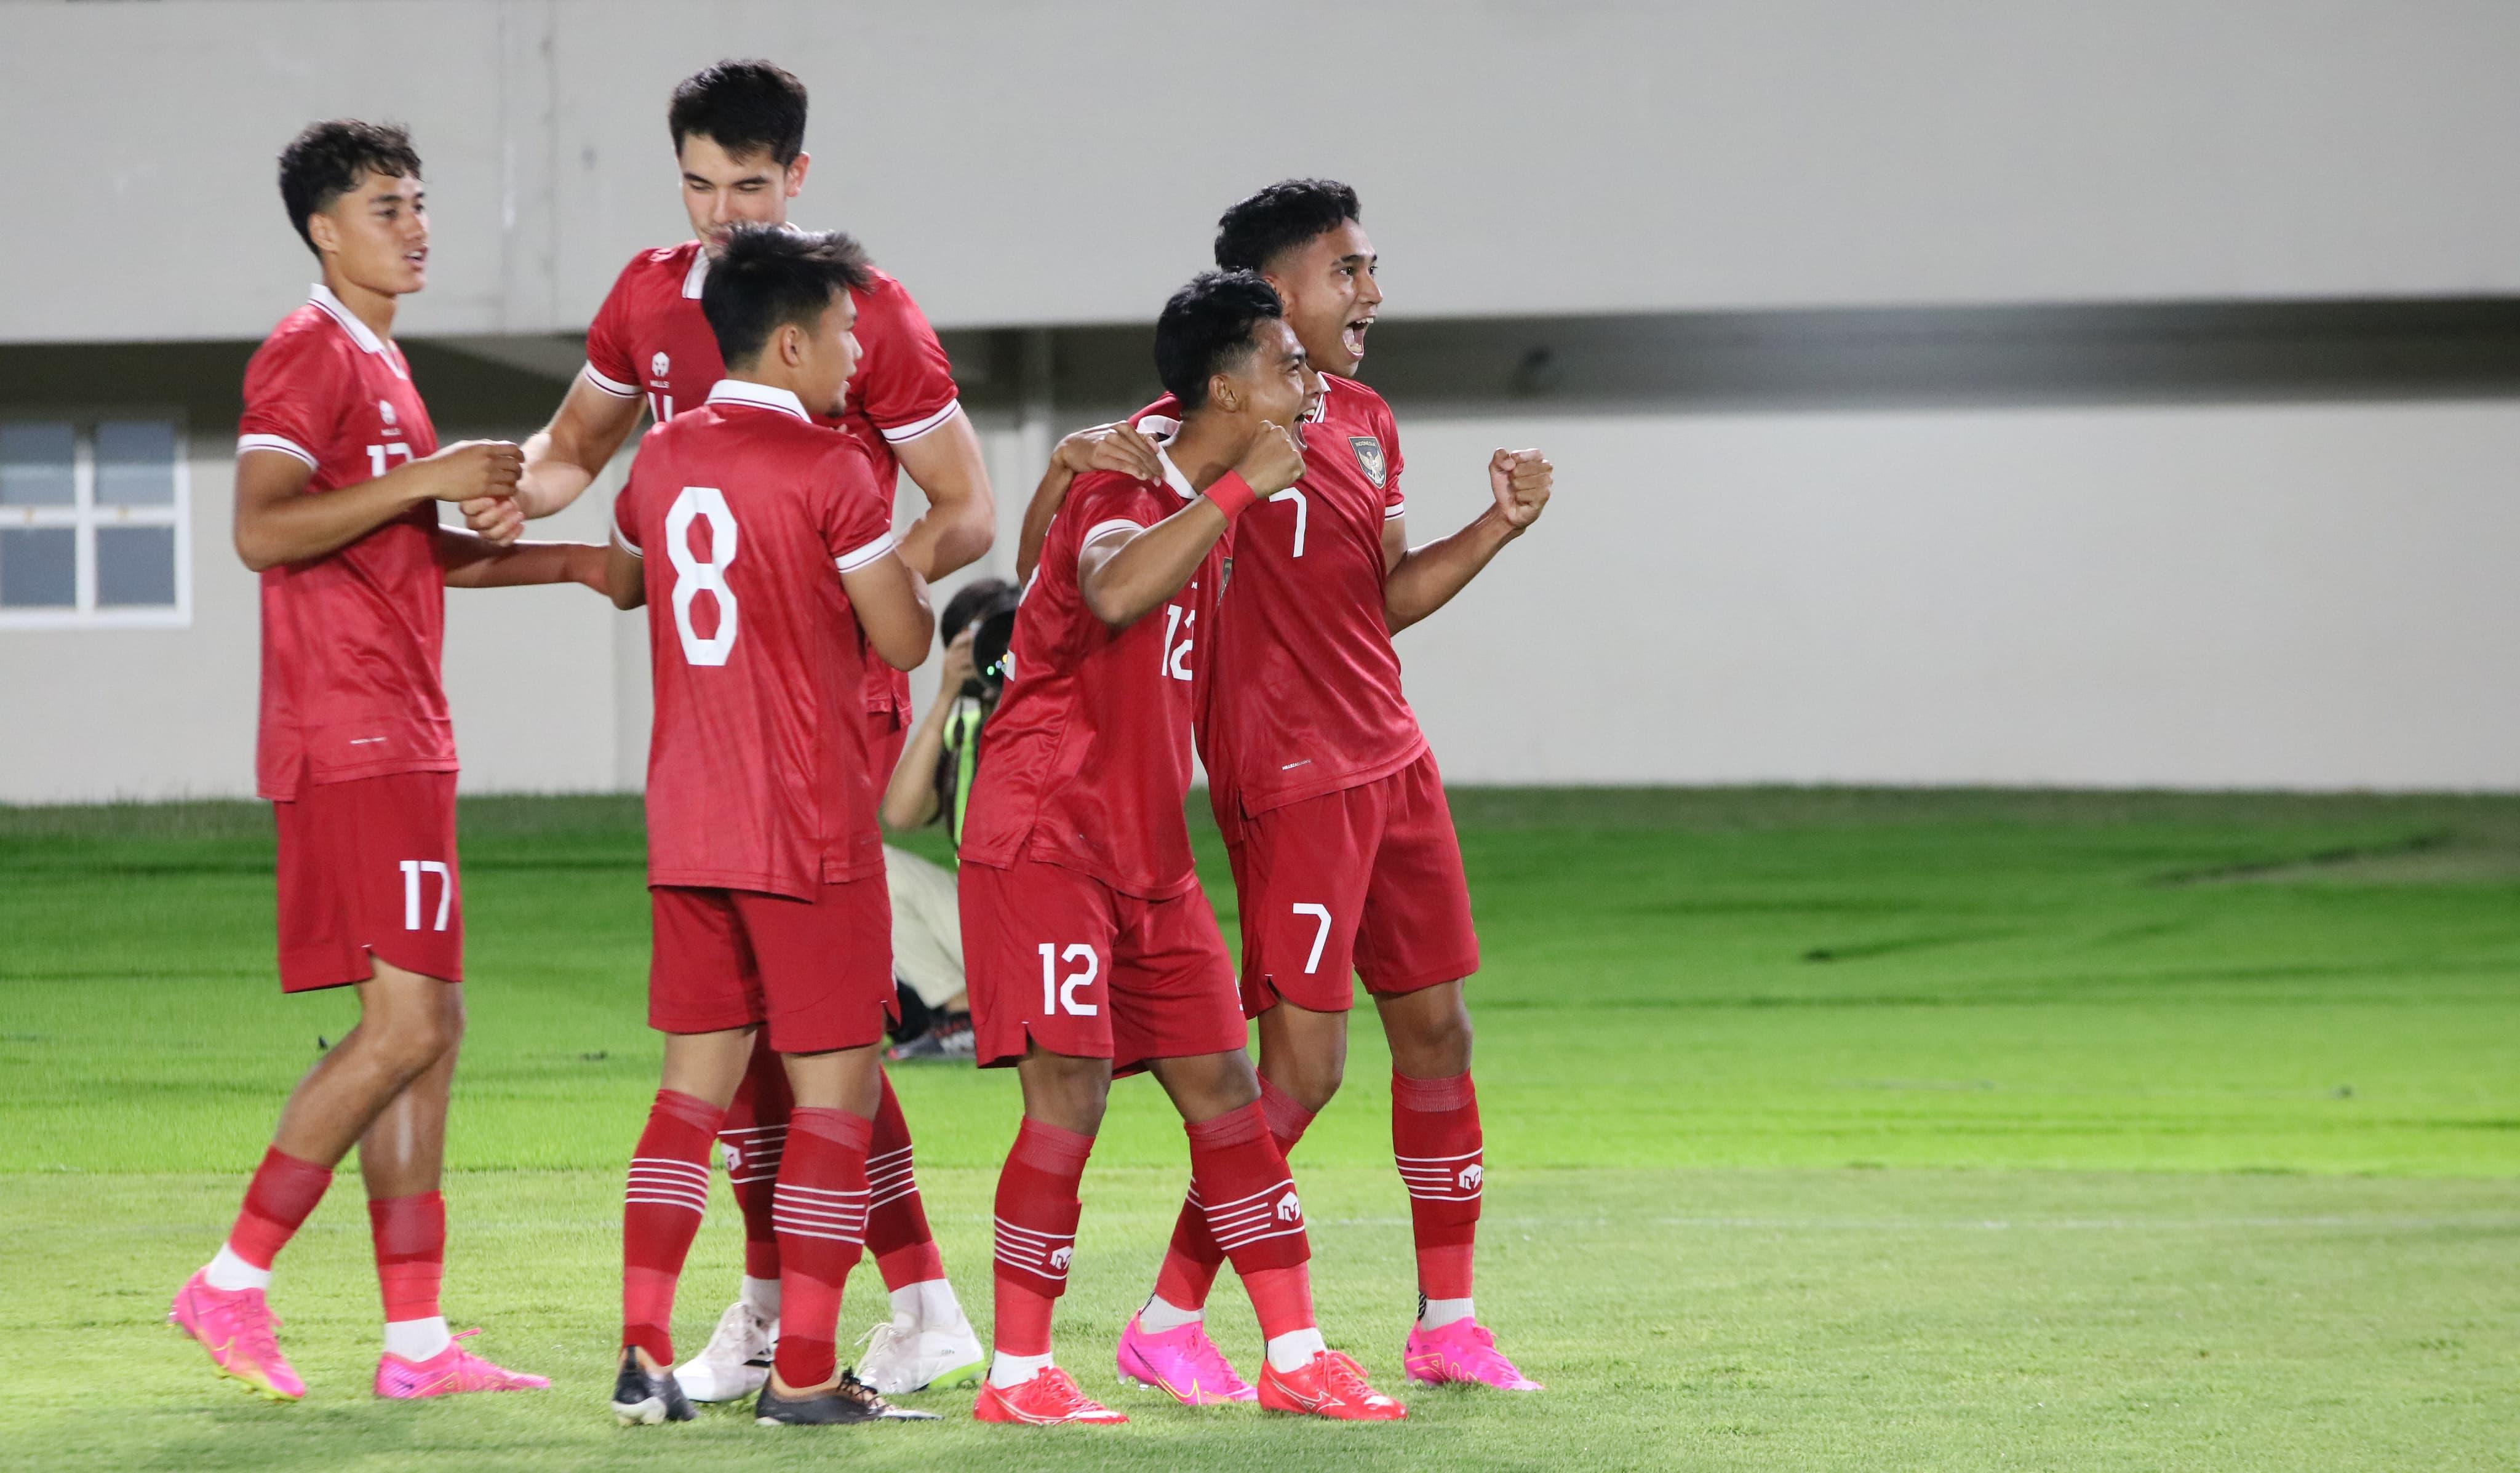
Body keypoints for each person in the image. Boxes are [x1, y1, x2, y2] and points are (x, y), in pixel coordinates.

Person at [481, 59, 989, 1400]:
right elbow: (562, 455)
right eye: (698, 184)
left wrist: (842, 578)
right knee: (811, 1053)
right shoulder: (658, 299)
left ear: (796, 179)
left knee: (764, 1056)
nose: (719, 212)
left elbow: (965, 507)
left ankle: (743, 1324)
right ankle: (841, 1321)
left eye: (746, 185)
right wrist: (505, 493)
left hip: (770, 731)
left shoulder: (864, 314)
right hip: (757, 743)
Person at [168, 119, 607, 1403]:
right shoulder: (308, 356)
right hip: (349, 734)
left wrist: (573, 560)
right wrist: (423, 472)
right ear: (320, 227)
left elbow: (398, 548)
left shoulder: (380, 362)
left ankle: (415, 1343)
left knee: (432, 1028)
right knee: (403, 1020)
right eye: (381, 207)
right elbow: (263, 530)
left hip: (402, 731)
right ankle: (233, 1280)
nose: (412, 226)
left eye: (417, 203)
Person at [1098, 180, 1555, 1395]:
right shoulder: (1176, 433)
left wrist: (1496, 527)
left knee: (1439, 1034)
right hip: (1288, 777)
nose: (1371, 292)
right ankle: (1165, 1319)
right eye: (1347, 270)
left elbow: (1385, 599)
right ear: (1275, 295)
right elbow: (1106, 567)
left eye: (1368, 267)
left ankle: (1445, 1326)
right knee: (1300, 1073)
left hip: (1392, 762)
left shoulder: (1362, 420)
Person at [959, 271, 1405, 1426]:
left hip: (1147, 854)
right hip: (1045, 838)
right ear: (1227, 385)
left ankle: (1297, 1353)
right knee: (1067, 1101)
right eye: (1285, 364)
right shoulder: (1139, 488)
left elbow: (1049, 574)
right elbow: (1103, 588)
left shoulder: (1165, 472)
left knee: (1227, 1090)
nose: (1308, 381)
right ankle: (1017, 1375)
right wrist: (1231, 493)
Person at [600, 225, 941, 1429]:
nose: (856, 352)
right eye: (844, 332)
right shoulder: (830, 467)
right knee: (833, 1102)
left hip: (686, 824)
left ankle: (643, 1355)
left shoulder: (658, 459)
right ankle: (802, 1375)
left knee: (687, 1097)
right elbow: (902, 638)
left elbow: (640, 566)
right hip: (804, 827)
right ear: (791, 340)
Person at [874, 578, 1017, 1063]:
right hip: (986, 921)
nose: (997, 654)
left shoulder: (1065, 713)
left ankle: (974, 1019)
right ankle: (964, 1016)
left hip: (1052, 924)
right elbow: (899, 814)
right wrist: (945, 698)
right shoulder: (966, 729)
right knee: (876, 867)